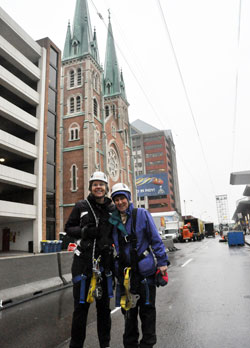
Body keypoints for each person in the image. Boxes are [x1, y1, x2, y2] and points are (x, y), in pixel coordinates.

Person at [109, 183, 169, 348]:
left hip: (145, 273)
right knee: (128, 313)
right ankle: (130, 344)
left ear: (128, 198)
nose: (120, 202)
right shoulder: (113, 220)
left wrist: (162, 262)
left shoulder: (141, 214)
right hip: (125, 275)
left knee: (147, 311)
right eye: (116, 199)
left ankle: (148, 344)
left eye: (122, 198)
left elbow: (155, 238)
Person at [65, 171, 114, 348]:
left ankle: (105, 345)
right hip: (83, 265)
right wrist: (84, 232)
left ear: (106, 188)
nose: (98, 187)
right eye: (95, 184)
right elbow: (68, 228)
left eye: (101, 184)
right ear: (90, 188)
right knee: (81, 310)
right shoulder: (81, 205)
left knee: (104, 310)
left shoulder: (112, 209)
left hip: (104, 266)